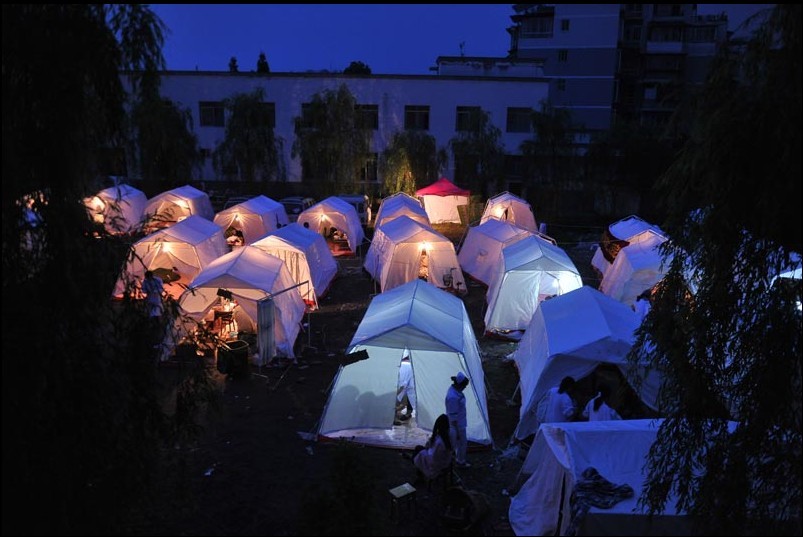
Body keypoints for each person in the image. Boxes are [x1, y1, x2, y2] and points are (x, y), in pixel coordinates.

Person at [412, 414, 453, 480]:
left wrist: (427, 448)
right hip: (444, 461)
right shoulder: (447, 437)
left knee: (418, 452)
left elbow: (434, 457)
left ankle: (420, 474)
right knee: (418, 448)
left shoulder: (439, 442)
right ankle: (419, 472)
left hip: (436, 464)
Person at [445, 371, 470, 468]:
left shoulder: (455, 391)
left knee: (459, 444)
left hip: (460, 422)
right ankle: (460, 461)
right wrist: (458, 432)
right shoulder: (453, 397)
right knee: (462, 443)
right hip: (457, 425)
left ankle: (458, 459)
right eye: (464, 386)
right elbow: (453, 417)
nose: (465, 388)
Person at [395, 353, 415, 425]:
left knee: (402, 390)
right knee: (409, 390)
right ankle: (399, 414)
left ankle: (397, 415)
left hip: (404, 364)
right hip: (407, 364)